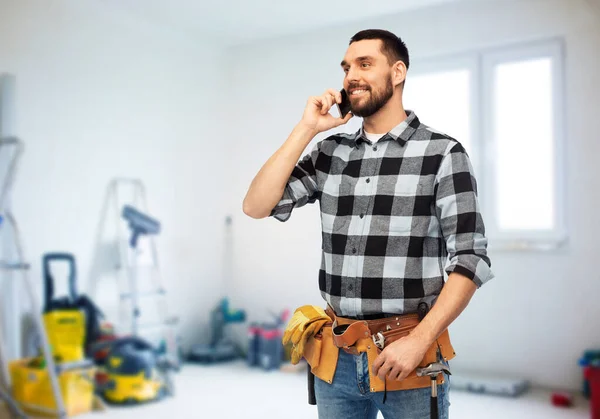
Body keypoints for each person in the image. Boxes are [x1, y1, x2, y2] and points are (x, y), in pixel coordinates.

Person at [242, 29, 494, 419]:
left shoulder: (442, 153)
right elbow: (256, 205)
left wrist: (419, 341)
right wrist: (307, 128)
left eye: (364, 64)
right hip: (336, 356)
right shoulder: (330, 152)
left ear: (397, 72)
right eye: (346, 68)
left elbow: (471, 259)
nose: (350, 77)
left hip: (408, 357)